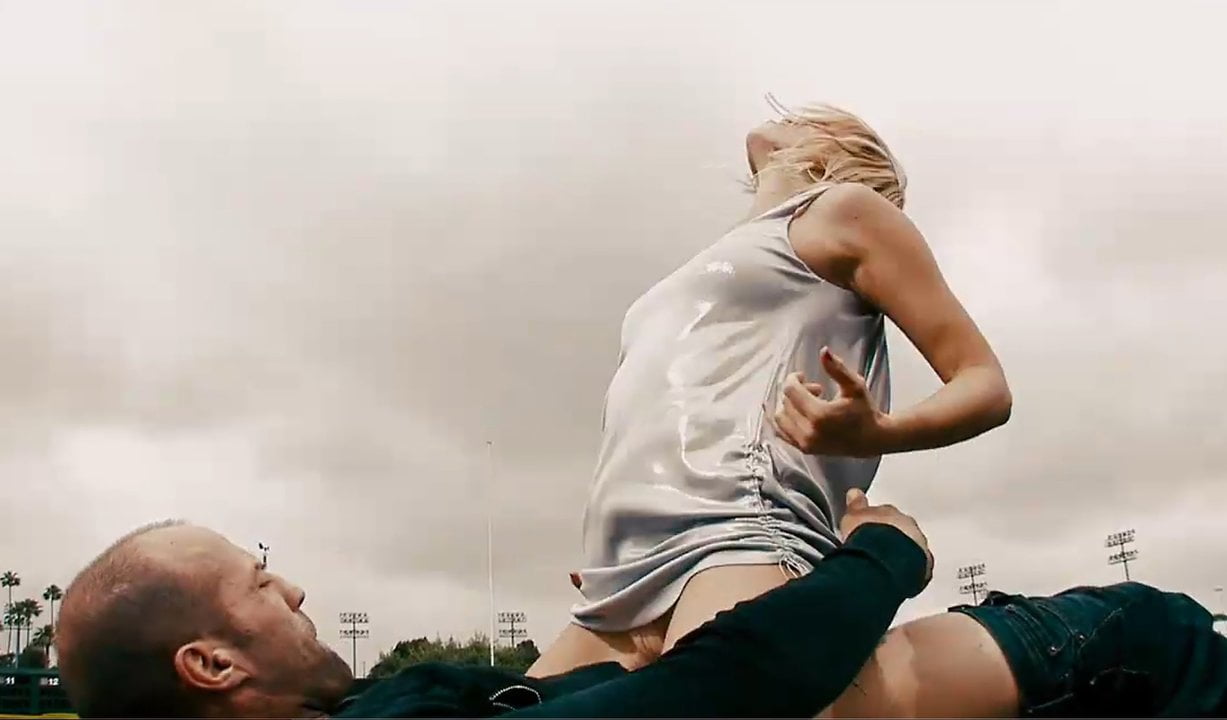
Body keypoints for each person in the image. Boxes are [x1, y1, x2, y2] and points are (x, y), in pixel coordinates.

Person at [530, 97, 1013, 677]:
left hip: (742, 529)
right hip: (618, 581)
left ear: (835, 155)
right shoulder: (723, 254)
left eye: (805, 120)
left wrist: (879, 432)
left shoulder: (843, 210)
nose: (782, 117)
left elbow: (985, 383)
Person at [53, 492, 1227, 718]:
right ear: (212, 664)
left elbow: (546, 702)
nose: (296, 586)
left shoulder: (370, 711)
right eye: (261, 583)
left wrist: (615, 619)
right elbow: (734, 688)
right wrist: (883, 555)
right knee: (1149, 622)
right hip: (1119, 654)